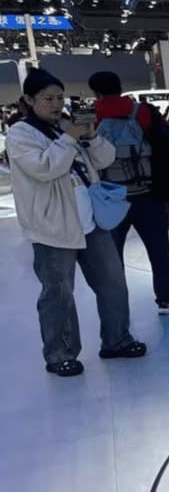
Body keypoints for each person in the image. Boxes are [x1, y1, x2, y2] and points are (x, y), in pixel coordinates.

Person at [8, 68, 146, 378]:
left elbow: (105, 159)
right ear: (29, 100)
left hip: (91, 222)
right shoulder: (20, 134)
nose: (56, 104)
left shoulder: (64, 127)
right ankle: (60, 354)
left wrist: (91, 136)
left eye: (60, 98)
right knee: (58, 294)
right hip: (52, 227)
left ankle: (117, 340)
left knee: (113, 283)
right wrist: (70, 138)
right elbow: (44, 168)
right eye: (48, 99)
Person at [88, 71, 169, 315]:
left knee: (112, 258)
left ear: (96, 92)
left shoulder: (90, 117)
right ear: (121, 87)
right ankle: (167, 299)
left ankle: (118, 307)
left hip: (109, 197)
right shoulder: (142, 111)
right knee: (159, 251)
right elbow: (167, 142)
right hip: (147, 192)